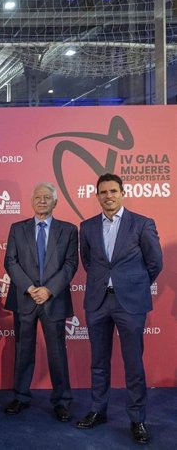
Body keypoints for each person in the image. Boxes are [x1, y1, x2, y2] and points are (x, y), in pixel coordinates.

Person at [76, 173, 163, 445]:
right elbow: (88, 262)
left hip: (131, 303)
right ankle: (97, 410)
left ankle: (137, 418)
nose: (108, 196)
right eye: (103, 192)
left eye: (113, 191)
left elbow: (155, 263)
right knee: (98, 362)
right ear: (97, 195)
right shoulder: (87, 227)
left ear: (122, 193)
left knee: (133, 363)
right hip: (98, 301)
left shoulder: (142, 223)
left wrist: (133, 285)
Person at [3, 183, 78, 421]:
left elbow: (70, 264)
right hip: (25, 298)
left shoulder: (69, 230)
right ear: (32, 201)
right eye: (38, 197)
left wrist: (48, 290)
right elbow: (10, 261)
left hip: (53, 299)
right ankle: (21, 396)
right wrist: (30, 288)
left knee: (57, 353)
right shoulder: (17, 228)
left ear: (55, 202)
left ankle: (62, 401)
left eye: (47, 197)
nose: (42, 201)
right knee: (23, 350)